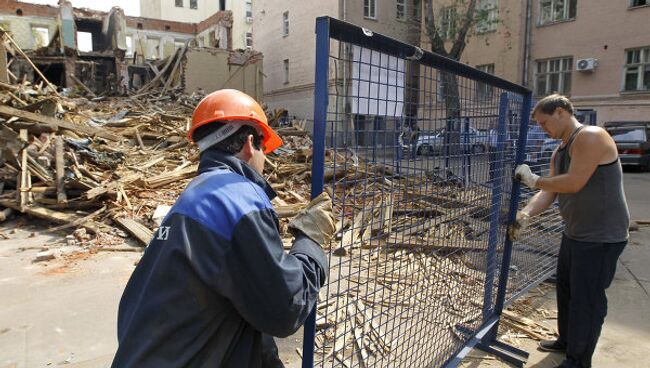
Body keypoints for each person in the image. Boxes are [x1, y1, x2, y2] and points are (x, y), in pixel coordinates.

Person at [111, 89, 336, 368]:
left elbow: (239, 303)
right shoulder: (238, 198)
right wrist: (310, 240)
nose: (265, 161)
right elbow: (286, 307)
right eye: (265, 150)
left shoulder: (195, 195)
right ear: (249, 143)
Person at [509, 94, 629, 368]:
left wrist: (534, 179)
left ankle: (578, 360)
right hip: (575, 232)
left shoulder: (591, 136)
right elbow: (550, 191)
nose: (543, 129)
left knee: (586, 300)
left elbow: (574, 183)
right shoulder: (560, 150)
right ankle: (567, 341)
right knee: (566, 290)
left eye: (544, 122)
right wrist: (526, 213)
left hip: (601, 237)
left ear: (560, 111)